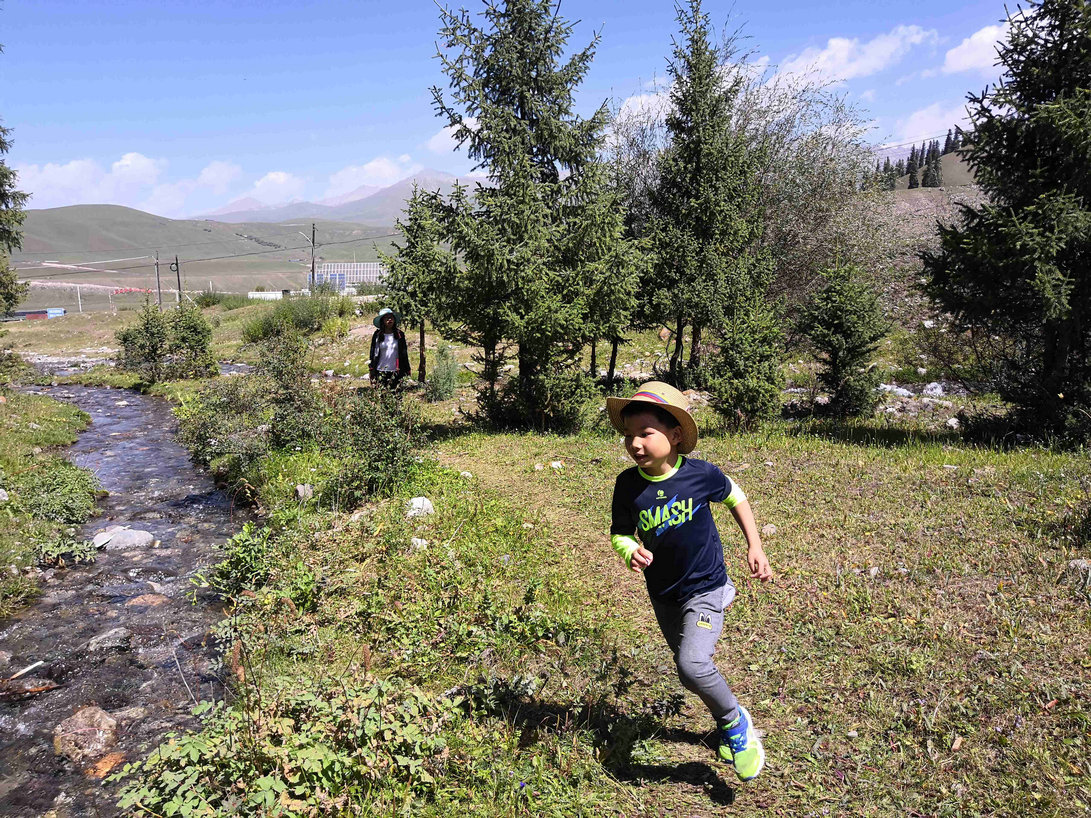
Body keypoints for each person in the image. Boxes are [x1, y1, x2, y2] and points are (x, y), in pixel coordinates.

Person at [606, 381, 773, 781]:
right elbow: (620, 530)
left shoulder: (700, 475)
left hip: (705, 586)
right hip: (663, 593)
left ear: (675, 435)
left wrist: (755, 545)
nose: (635, 444)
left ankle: (736, 725)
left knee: (692, 663)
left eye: (645, 433)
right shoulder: (628, 485)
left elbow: (736, 496)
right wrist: (629, 549)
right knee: (688, 670)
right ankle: (724, 720)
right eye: (629, 436)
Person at [368, 307, 411, 388]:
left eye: (391, 317)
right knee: (381, 396)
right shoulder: (377, 335)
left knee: (397, 395)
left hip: (396, 371)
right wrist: (371, 369)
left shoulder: (399, 335)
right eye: (386, 318)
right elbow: (373, 352)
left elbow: (404, 353)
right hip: (380, 371)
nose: (389, 320)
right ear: (382, 321)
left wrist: (407, 369)